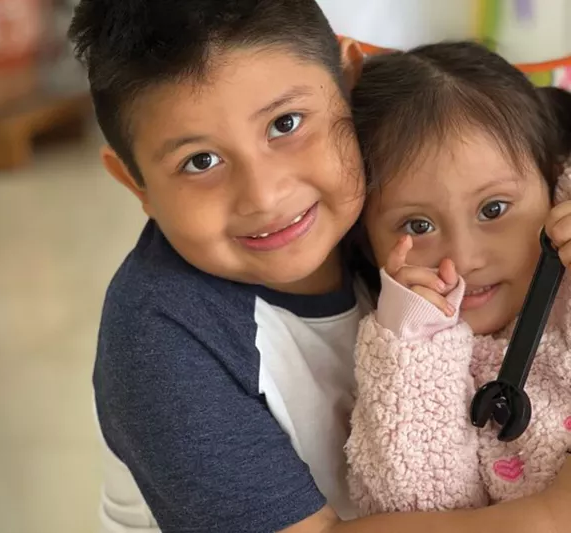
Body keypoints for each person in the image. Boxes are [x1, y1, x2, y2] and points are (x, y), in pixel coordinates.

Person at [68, 1, 571, 531]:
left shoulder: (392, 162)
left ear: (349, 77)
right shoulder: (162, 339)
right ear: (134, 183)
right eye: (200, 161)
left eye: (285, 124)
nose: (265, 197)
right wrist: (554, 514)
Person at [346, 40, 571, 514]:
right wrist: (412, 344)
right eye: (418, 226)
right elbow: (414, 503)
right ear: (365, 237)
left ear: (553, 186)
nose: (463, 258)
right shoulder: (401, 353)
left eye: (493, 209)